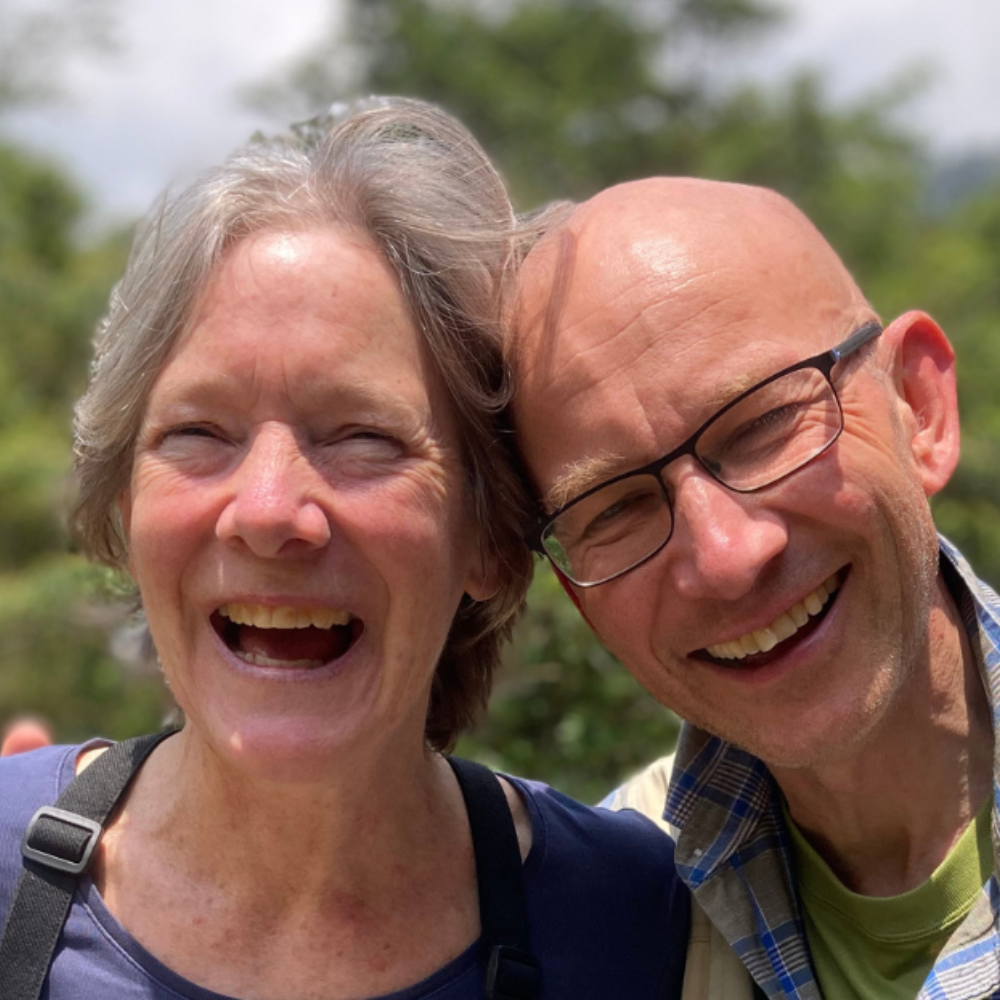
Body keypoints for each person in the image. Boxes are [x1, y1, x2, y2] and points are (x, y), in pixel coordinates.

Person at [0, 101, 690, 999]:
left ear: (488, 537)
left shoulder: (638, 921)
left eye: (364, 438)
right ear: (127, 510)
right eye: (198, 432)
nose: (270, 509)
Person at [512, 178, 999, 999]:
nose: (727, 556)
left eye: (766, 424)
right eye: (619, 507)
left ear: (919, 408)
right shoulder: (601, 919)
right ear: (580, 593)